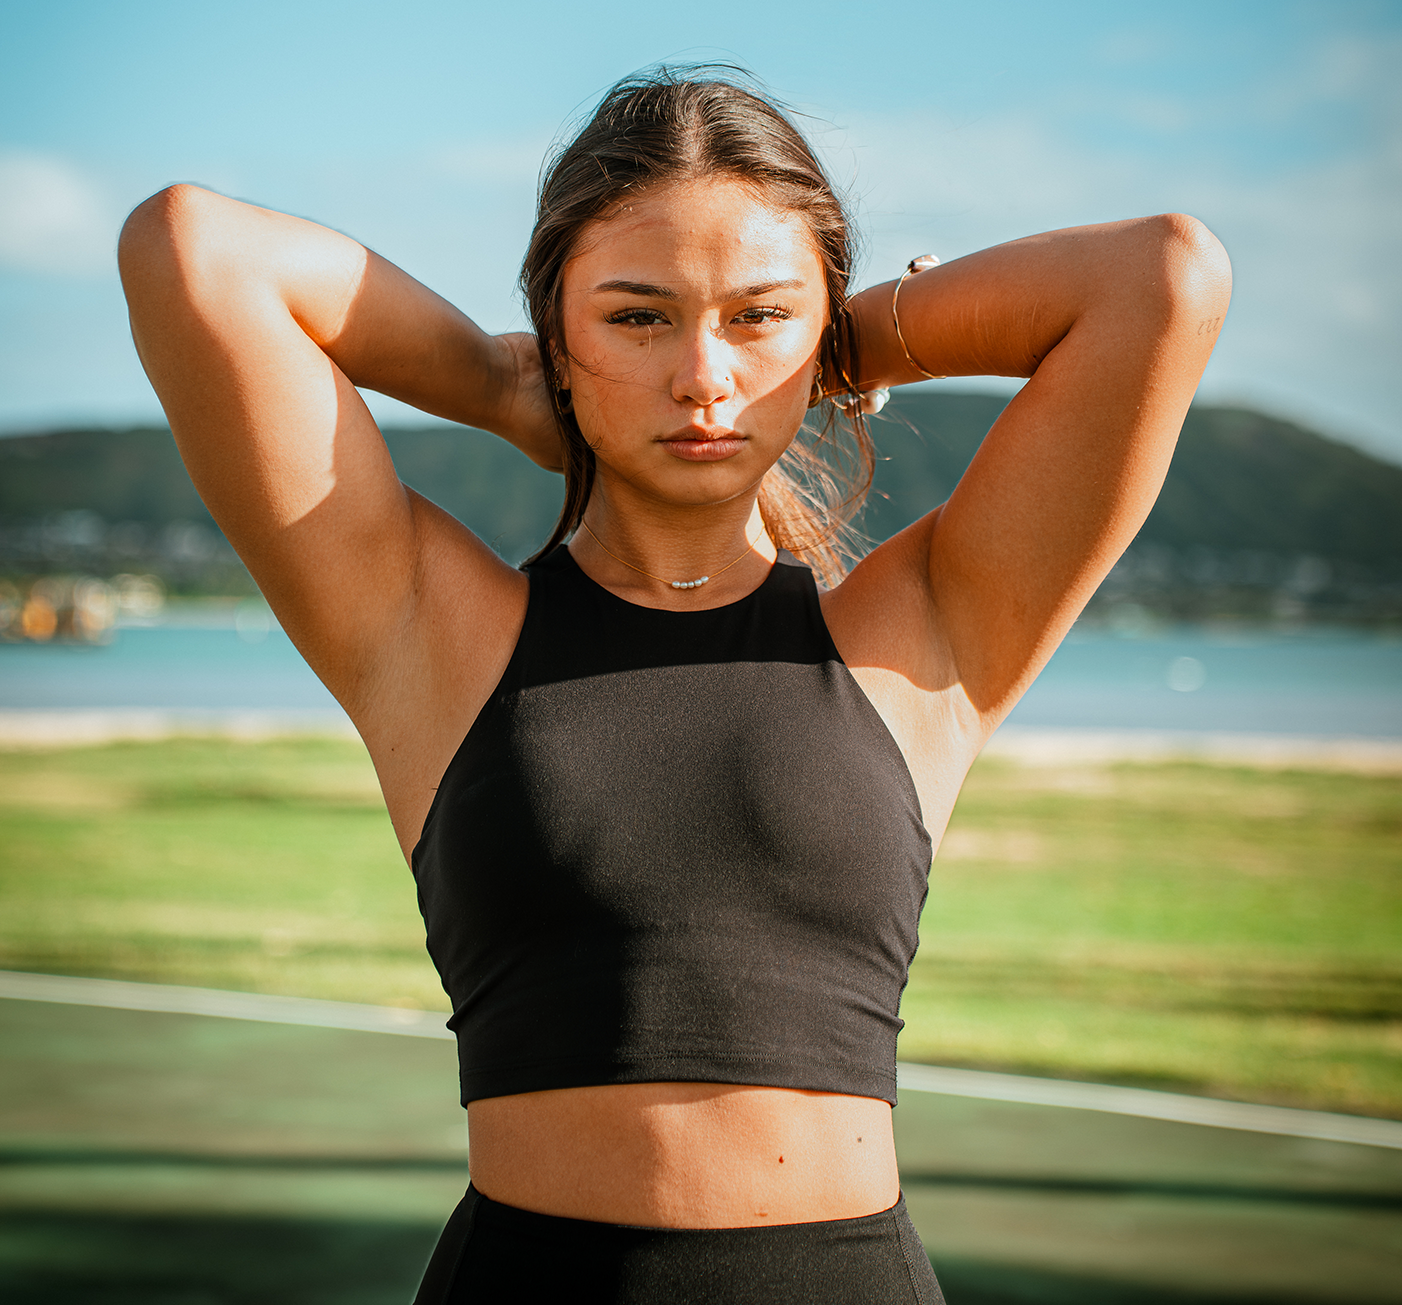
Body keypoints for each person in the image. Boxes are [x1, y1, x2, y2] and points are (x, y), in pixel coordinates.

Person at [118, 68, 1231, 1303]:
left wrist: (839, 351)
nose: (703, 377)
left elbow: (1162, 278)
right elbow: (193, 251)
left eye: (756, 316)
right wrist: (496, 389)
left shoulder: (923, 639)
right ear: (561, 338)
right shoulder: (431, 632)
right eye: (638, 319)